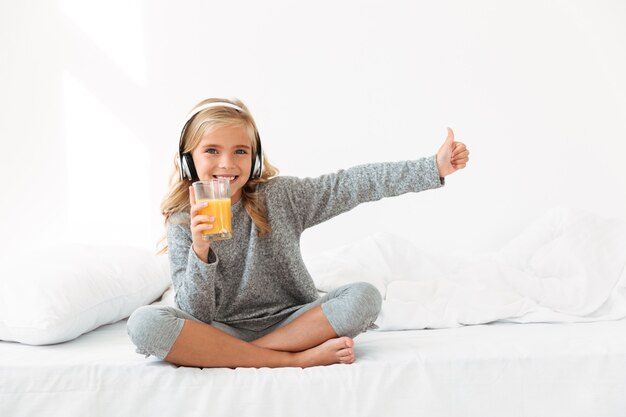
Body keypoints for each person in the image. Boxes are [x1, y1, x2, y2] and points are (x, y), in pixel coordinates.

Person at [127, 98, 469, 368]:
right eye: (211, 151)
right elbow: (195, 315)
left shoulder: (280, 197)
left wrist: (432, 168)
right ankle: (291, 360)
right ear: (189, 158)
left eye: (240, 151)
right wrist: (200, 251)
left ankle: (237, 356)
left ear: (254, 157)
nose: (227, 164)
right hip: (220, 328)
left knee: (364, 295)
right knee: (144, 324)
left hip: (294, 323)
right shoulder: (182, 219)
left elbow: (350, 185)